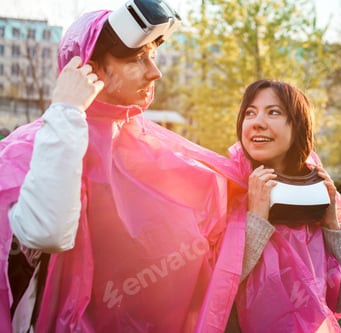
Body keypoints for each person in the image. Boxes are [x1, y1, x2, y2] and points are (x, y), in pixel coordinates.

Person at [0, 1, 247, 331]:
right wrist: (67, 111)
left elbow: (216, 223)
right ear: (89, 69)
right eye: (136, 59)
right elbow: (48, 231)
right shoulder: (29, 148)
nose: (154, 71)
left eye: (153, 56)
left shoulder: (142, 145)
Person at [227, 79, 341, 332]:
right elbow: (216, 291)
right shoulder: (224, 188)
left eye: (274, 112)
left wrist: (331, 225)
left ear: (299, 126)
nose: (257, 122)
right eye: (250, 112)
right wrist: (256, 218)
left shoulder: (315, 193)